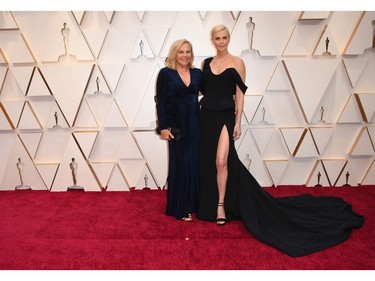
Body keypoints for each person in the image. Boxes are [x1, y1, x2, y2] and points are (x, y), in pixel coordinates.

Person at [196, 24, 364, 257]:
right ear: (212, 40)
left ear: (229, 39)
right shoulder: (205, 64)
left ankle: (221, 205)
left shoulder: (238, 63)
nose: (221, 41)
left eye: (225, 37)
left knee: (222, 161)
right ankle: (207, 202)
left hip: (225, 116)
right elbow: (202, 90)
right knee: (207, 162)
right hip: (206, 117)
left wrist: (238, 122)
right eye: (218, 38)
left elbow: (240, 94)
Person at [155, 39, 204, 222]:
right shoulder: (166, 74)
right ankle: (181, 207)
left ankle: (195, 204)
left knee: (195, 163)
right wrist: (163, 128)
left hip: (196, 123)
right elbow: (161, 101)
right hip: (176, 126)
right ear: (175, 53)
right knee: (181, 164)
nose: (185, 55)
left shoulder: (198, 74)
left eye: (188, 52)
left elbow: (211, 92)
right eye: (181, 52)